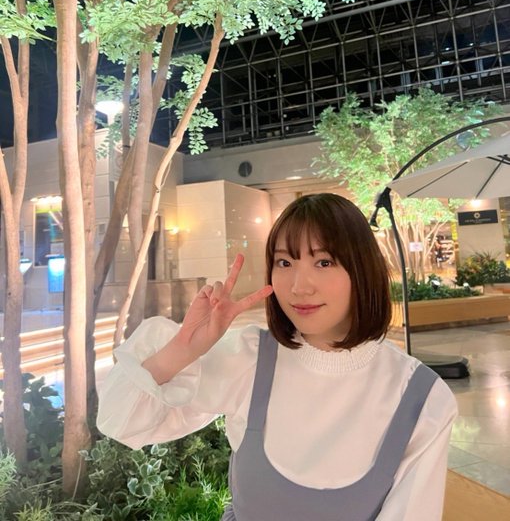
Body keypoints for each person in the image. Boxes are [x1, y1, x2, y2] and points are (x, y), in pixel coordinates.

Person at [97, 193, 457, 521]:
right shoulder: (250, 359)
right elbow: (121, 421)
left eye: (324, 262)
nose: (299, 286)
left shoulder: (422, 400)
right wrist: (183, 349)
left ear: (362, 270)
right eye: (284, 262)